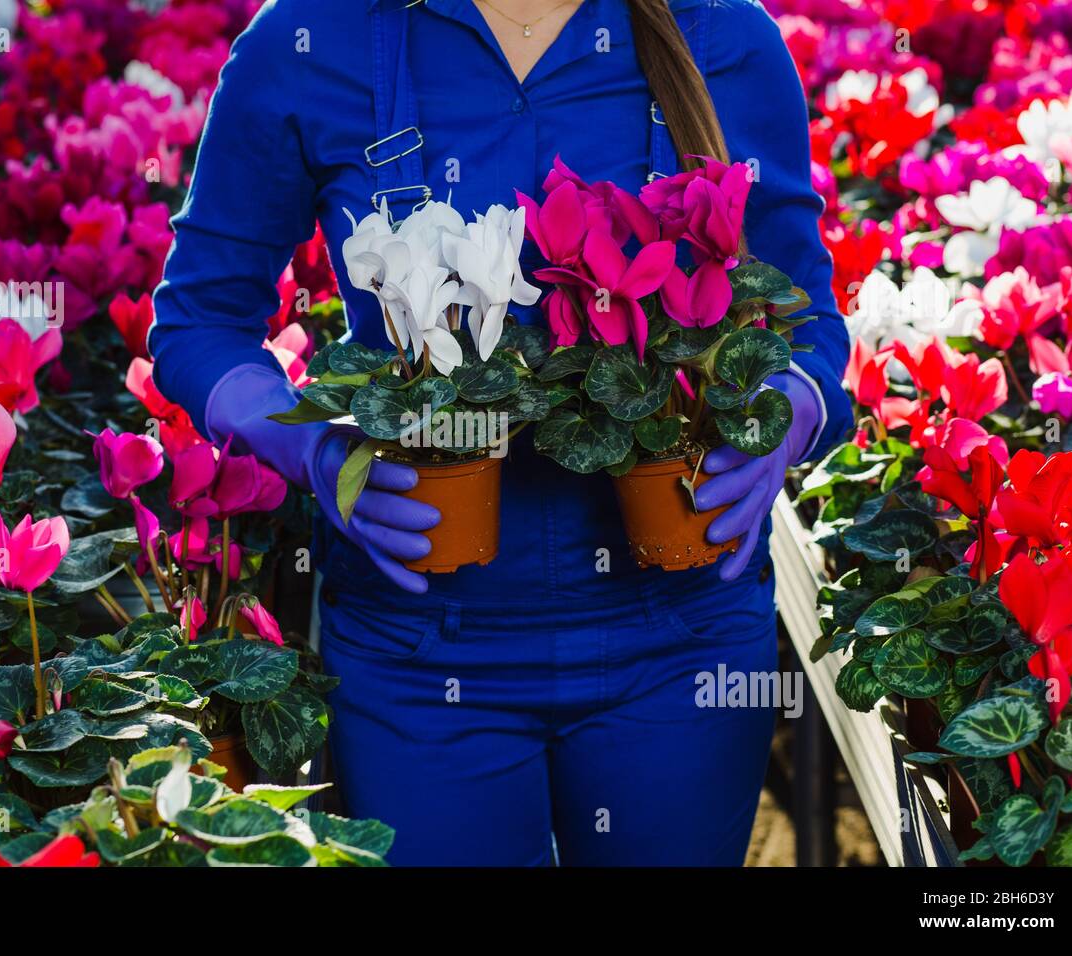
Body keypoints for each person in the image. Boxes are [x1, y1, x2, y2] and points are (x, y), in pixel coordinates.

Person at [151, 0, 853, 865]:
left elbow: (807, 318)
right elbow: (199, 321)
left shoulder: (722, 36)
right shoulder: (310, 40)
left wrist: (793, 411)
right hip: (416, 651)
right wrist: (313, 449)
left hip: (682, 642)